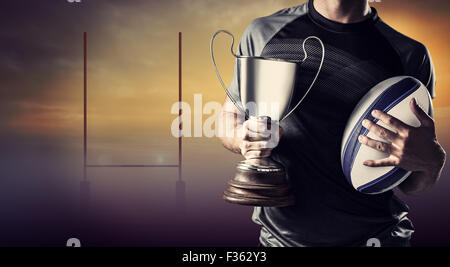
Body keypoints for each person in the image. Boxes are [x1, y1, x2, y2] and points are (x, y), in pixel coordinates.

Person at [218, 0, 446, 247]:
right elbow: (230, 118)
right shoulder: (263, 33)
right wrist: (242, 137)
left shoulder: (409, 54)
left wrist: (432, 160)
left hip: (378, 239)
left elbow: (412, 183)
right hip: (282, 240)